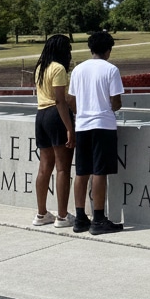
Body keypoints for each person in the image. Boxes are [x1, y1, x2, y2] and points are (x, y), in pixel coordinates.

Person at [66, 30, 125, 235]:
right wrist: (107, 108)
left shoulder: (78, 70)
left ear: (91, 48)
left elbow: (70, 100)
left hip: (82, 125)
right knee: (100, 172)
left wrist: (82, 112)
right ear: (108, 50)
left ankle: (80, 218)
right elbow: (116, 101)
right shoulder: (111, 70)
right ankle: (99, 219)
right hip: (103, 125)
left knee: (82, 171)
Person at [31, 34, 76, 228]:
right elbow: (60, 100)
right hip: (55, 116)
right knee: (62, 168)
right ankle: (63, 216)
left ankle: (41, 213)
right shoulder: (58, 68)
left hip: (40, 115)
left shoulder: (40, 67)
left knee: (44, 167)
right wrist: (70, 128)